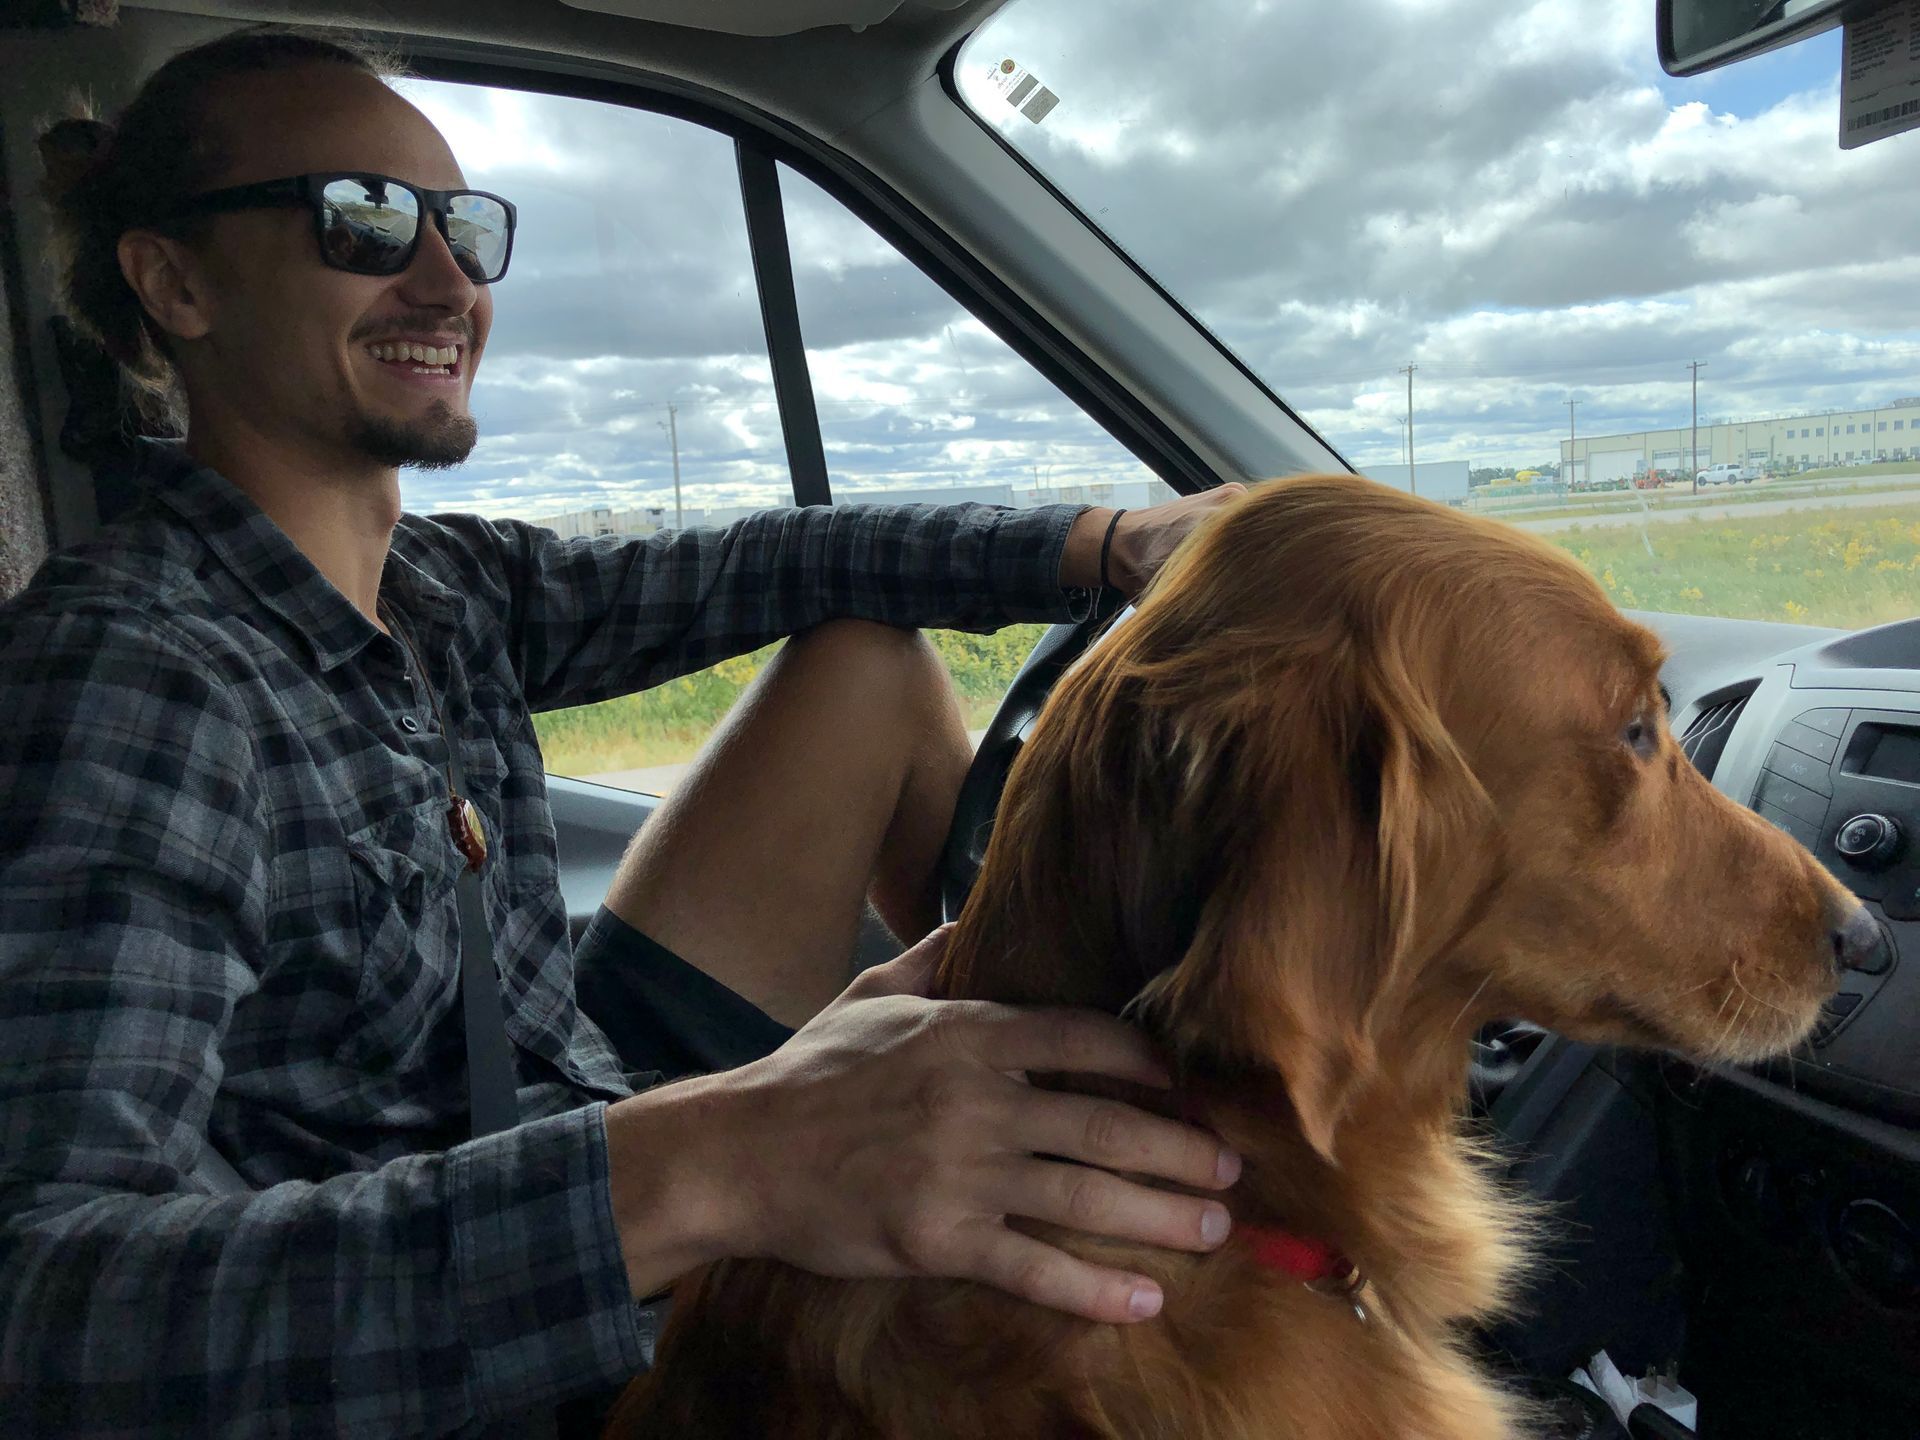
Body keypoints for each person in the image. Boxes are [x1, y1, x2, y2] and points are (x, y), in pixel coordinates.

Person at [0, 26, 1247, 1437]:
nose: (445, 279)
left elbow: (790, 564)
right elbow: (50, 1308)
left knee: (862, 656)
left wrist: (1107, 542)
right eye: (362, 220)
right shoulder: (136, 680)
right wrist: (730, 1159)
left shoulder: (447, 589)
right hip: (493, 1348)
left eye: (467, 229)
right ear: (173, 281)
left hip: (576, 1116)